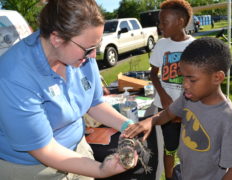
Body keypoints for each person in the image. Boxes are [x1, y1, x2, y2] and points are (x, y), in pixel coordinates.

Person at [0, 0, 137, 179]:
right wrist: (100, 170)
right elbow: (44, 149)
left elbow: (94, 104)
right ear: (56, 38)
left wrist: (127, 126)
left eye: (96, 46)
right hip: (32, 167)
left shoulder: (82, 57)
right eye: (88, 49)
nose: (94, 55)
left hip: (78, 150)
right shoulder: (13, 75)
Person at [124, 37, 232, 180]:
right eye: (183, 78)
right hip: (183, 173)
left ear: (217, 77)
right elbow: (168, 114)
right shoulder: (189, 97)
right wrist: (151, 121)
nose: (185, 85)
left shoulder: (228, 119)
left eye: (192, 79)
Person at [149, 0, 195, 179]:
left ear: (180, 22)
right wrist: (164, 96)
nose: (160, 26)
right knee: (169, 148)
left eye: (164, 22)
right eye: (160, 22)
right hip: (165, 107)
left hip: (189, 109)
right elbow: (153, 74)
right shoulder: (161, 45)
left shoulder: (194, 46)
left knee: (190, 148)